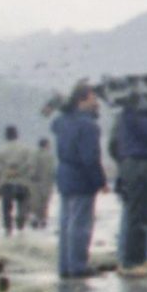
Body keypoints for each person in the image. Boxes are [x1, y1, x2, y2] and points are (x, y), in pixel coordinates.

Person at [110, 82, 147, 275]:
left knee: (135, 213)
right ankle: (134, 261)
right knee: (140, 214)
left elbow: (114, 144)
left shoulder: (125, 113)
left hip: (132, 162)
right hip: (142, 162)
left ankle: (131, 258)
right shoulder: (142, 115)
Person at [50, 85, 107, 279]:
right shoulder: (89, 126)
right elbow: (90, 157)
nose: (96, 102)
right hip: (81, 177)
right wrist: (100, 181)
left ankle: (65, 265)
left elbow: (54, 121)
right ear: (82, 100)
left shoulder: (62, 122)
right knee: (80, 224)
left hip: (64, 174)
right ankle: (78, 266)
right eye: (93, 98)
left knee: (66, 222)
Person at [0, 126, 36, 233]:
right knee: (23, 203)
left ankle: (8, 226)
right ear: (17, 135)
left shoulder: (1, 149)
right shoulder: (25, 149)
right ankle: (20, 221)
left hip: (6, 182)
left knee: (6, 206)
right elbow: (29, 163)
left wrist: (7, 171)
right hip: (22, 182)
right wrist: (19, 171)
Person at [30, 137, 56, 230]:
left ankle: (35, 218)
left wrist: (33, 176)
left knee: (35, 201)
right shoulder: (49, 156)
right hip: (46, 182)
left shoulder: (34, 154)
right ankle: (43, 219)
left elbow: (31, 167)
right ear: (46, 145)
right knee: (45, 201)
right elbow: (52, 170)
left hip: (35, 182)